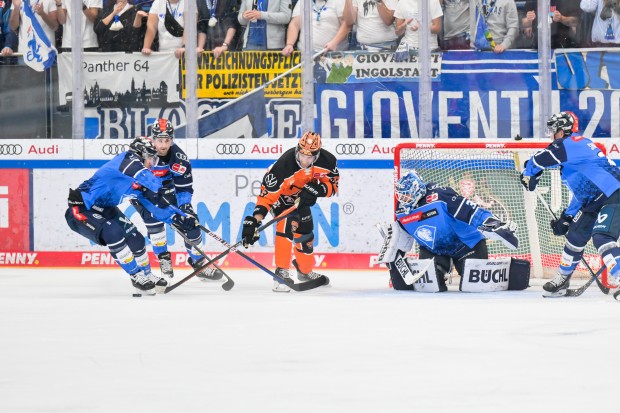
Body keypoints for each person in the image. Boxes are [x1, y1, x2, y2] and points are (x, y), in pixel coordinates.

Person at [64, 136, 197, 295]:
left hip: (106, 208)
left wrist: (178, 218)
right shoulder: (127, 160)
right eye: (150, 158)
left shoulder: (140, 180)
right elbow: (142, 174)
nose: (152, 163)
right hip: (82, 208)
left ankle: (147, 275)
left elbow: (155, 207)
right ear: (141, 154)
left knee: (136, 239)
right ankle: (136, 275)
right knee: (113, 233)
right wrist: (158, 188)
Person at [520, 111, 620, 296]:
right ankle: (562, 280)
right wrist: (567, 216)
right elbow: (582, 193)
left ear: (562, 130)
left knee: (602, 238)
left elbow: (538, 159)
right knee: (574, 237)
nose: (551, 134)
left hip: (613, 194)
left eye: (553, 129)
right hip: (594, 200)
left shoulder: (572, 143)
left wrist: (529, 172)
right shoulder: (569, 156)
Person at [377, 170, 519, 291]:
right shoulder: (401, 210)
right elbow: (403, 235)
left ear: (416, 189)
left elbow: (471, 211)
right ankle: (442, 267)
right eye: (401, 195)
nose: (403, 199)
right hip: (434, 250)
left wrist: (495, 224)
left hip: (467, 245)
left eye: (406, 195)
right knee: (430, 285)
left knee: (476, 284)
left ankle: (508, 268)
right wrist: (394, 254)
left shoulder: (439, 195)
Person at [241, 131, 339, 292]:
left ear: (317, 155)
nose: (305, 161)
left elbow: (333, 187)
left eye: (310, 158)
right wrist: (255, 221)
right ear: (297, 150)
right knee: (287, 221)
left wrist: (318, 189)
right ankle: (281, 272)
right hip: (281, 197)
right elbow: (266, 199)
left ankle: (305, 271)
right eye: (302, 155)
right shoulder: (283, 166)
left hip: (299, 197)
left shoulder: (328, 161)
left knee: (306, 232)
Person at [130, 118, 224, 282]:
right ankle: (164, 259)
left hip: (168, 195)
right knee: (155, 225)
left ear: (172, 139)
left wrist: (185, 206)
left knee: (192, 224)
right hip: (144, 196)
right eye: (159, 140)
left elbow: (184, 188)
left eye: (167, 140)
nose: (163, 145)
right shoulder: (142, 154)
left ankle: (199, 263)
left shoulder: (180, 159)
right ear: (153, 139)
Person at [281, 0, 352, 56]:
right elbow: (294, 24)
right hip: (306, 56)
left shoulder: (340, 1)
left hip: (334, 55)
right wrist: (289, 44)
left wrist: (334, 43)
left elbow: (346, 24)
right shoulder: (303, 1)